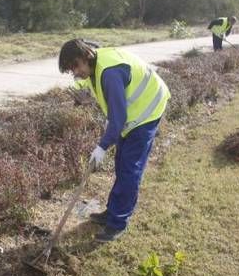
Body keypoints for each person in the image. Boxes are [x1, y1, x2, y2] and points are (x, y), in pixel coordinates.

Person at [58, 39, 170, 242]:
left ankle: (118, 222)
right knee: (121, 163)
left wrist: (101, 146)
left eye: (75, 66)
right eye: (70, 70)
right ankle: (112, 211)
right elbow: (113, 109)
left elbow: (118, 119)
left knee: (130, 169)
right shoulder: (96, 64)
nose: (75, 73)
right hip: (133, 112)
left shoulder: (110, 73)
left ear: (86, 56)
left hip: (147, 111)